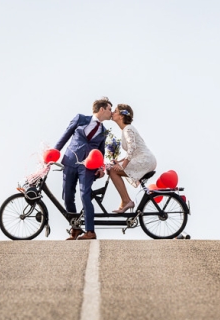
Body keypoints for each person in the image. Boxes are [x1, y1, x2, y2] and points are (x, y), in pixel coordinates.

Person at [54, 97, 113, 240]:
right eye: (110, 109)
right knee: (67, 196)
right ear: (102, 109)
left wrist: (101, 168)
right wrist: (54, 153)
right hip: (70, 160)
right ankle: (75, 228)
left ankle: (90, 231)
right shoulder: (80, 119)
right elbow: (65, 136)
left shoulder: (104, 131)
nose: (111, 113)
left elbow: (101, 152)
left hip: (88, 166)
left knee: (85, 195)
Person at [109, 104, 157, 213]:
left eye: (115, 111)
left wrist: (123, 165)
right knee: (113, 168)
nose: (112, 112)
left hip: (145, 160)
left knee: (113, 171)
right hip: (145, 159)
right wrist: (119, 162)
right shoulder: (126, 129)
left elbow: (132, 147)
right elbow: (134, 151)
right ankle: (125, 201)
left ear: (121, 116)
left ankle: (126, 201)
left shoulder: (127, 129)